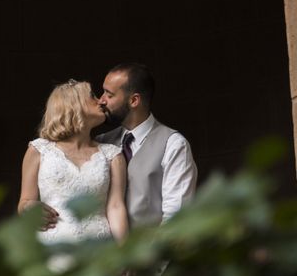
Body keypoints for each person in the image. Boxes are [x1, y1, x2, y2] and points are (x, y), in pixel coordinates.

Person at [18, 79, 129, 244]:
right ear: (72, 103)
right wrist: (30, 208)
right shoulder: (39, 150)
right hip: (52, 249)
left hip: (99, 249)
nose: (101, 101)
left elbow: (115, 207)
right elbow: (24, 203)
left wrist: (125, 252)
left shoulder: (112, 155)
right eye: (92, 95)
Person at [96, 63, 197, 228]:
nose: (101, 100)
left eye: (110, 94)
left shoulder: (174, 145)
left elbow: (176, 218)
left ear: (134, 100)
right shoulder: (101, 142)